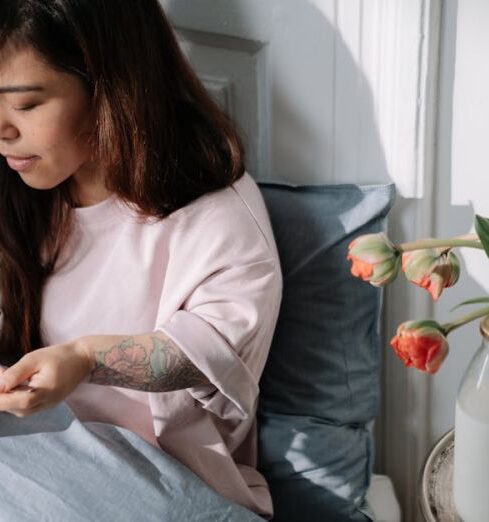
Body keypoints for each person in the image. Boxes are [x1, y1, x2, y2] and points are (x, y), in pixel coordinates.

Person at [0, 0, 282, 519]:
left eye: (26, 104)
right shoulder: (26, 191)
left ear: (108, 86)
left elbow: (208, 354)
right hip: (39, 457)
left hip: (165, 482)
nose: (3, 130)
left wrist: (85, 359)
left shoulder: (216, 214)